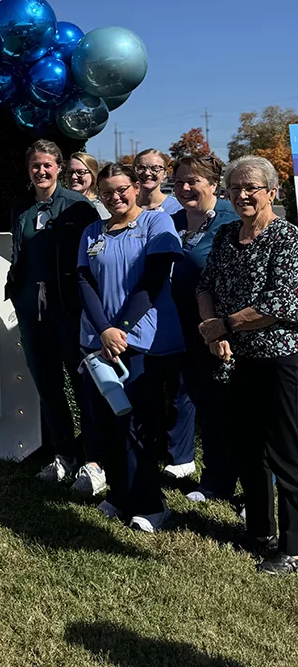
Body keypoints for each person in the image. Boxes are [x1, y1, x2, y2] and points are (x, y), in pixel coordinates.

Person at [197, 156, 298, 575]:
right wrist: (212, 331)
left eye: (251, 187)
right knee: (248, 448)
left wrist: (226, 325)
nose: (241, 195)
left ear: (272, 192)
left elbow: (282, 302)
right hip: (235, 359)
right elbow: (205, 286)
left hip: (278, 359)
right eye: (235, 187)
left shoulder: (288, 238)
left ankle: (292, 548)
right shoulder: (224, 235)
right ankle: (259, 530)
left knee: (287, 453)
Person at [78, 162, 184, 531]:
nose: (115, 197)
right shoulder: (93, 231)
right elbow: (85, 283)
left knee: (140, 425)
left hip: (140, 341)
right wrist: (104, 330)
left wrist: (119, 330)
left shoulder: (157, 224)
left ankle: (151, 505)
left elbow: (153, 281)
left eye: (122, 189)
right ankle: (119, 495)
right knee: (107, 421)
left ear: (136, 187)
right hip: (98, 341)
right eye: (107, 192)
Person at [7, 139, 103, 493]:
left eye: (48, 165)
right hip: (33, 313)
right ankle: (64, 455)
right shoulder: (21, 206)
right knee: (48, 386)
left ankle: (94, 459)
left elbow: (93, 261)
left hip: (70, 312)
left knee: (84, 387)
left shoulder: (78, 207)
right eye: (35, 165)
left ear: (59, 168)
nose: (41, 171)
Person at [170, 154, 239, 503]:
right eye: (179, 181)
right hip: (185, 330)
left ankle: (257, 487)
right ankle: (217, 481)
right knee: (207, 407)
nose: (184, 187)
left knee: (236, 409)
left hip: (226, 331)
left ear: (213, 184)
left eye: (193, 180)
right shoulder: (173, 221)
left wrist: (223, 327)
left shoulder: (232, 218)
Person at [134, 147, 195, 480]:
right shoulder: (125, 206)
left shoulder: (177, 209)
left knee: (180, 386)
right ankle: (153, 445)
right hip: (139, 308)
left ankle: (181, 455)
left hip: (174, 306)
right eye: (142, 168)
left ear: (166, 172)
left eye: (155, 168)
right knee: (148, 384)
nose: (148, 174)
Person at [66, 151, 110, 220]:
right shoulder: (60, 205)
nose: (73, 177)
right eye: (70, 172)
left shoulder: (98, 208)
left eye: (80, 172)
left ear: (93, 175)